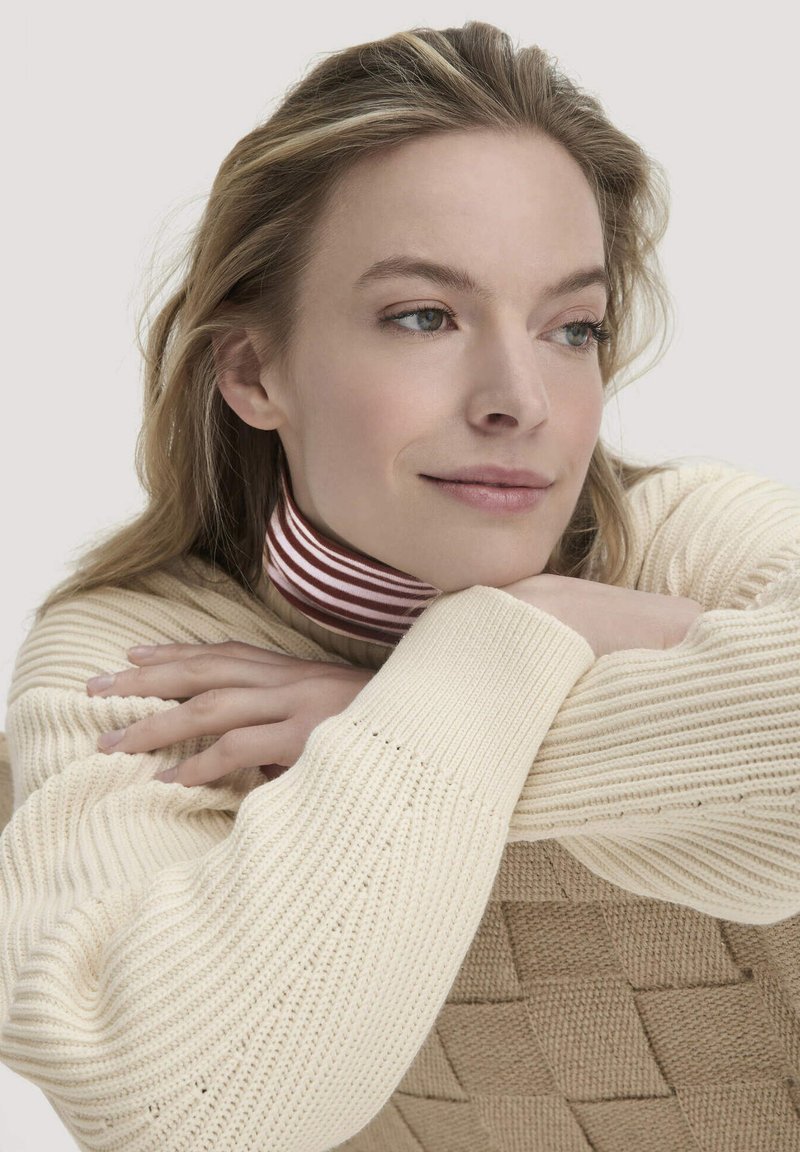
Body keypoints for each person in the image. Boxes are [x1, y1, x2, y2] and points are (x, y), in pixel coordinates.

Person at [1, 20, 799, 1152]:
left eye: (572, 328)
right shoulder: (144, 662)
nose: (518, 398)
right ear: (254, 370)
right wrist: (500, 671)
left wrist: (430, 687)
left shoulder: (680, 541)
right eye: (424, 316)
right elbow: (186, 1110)